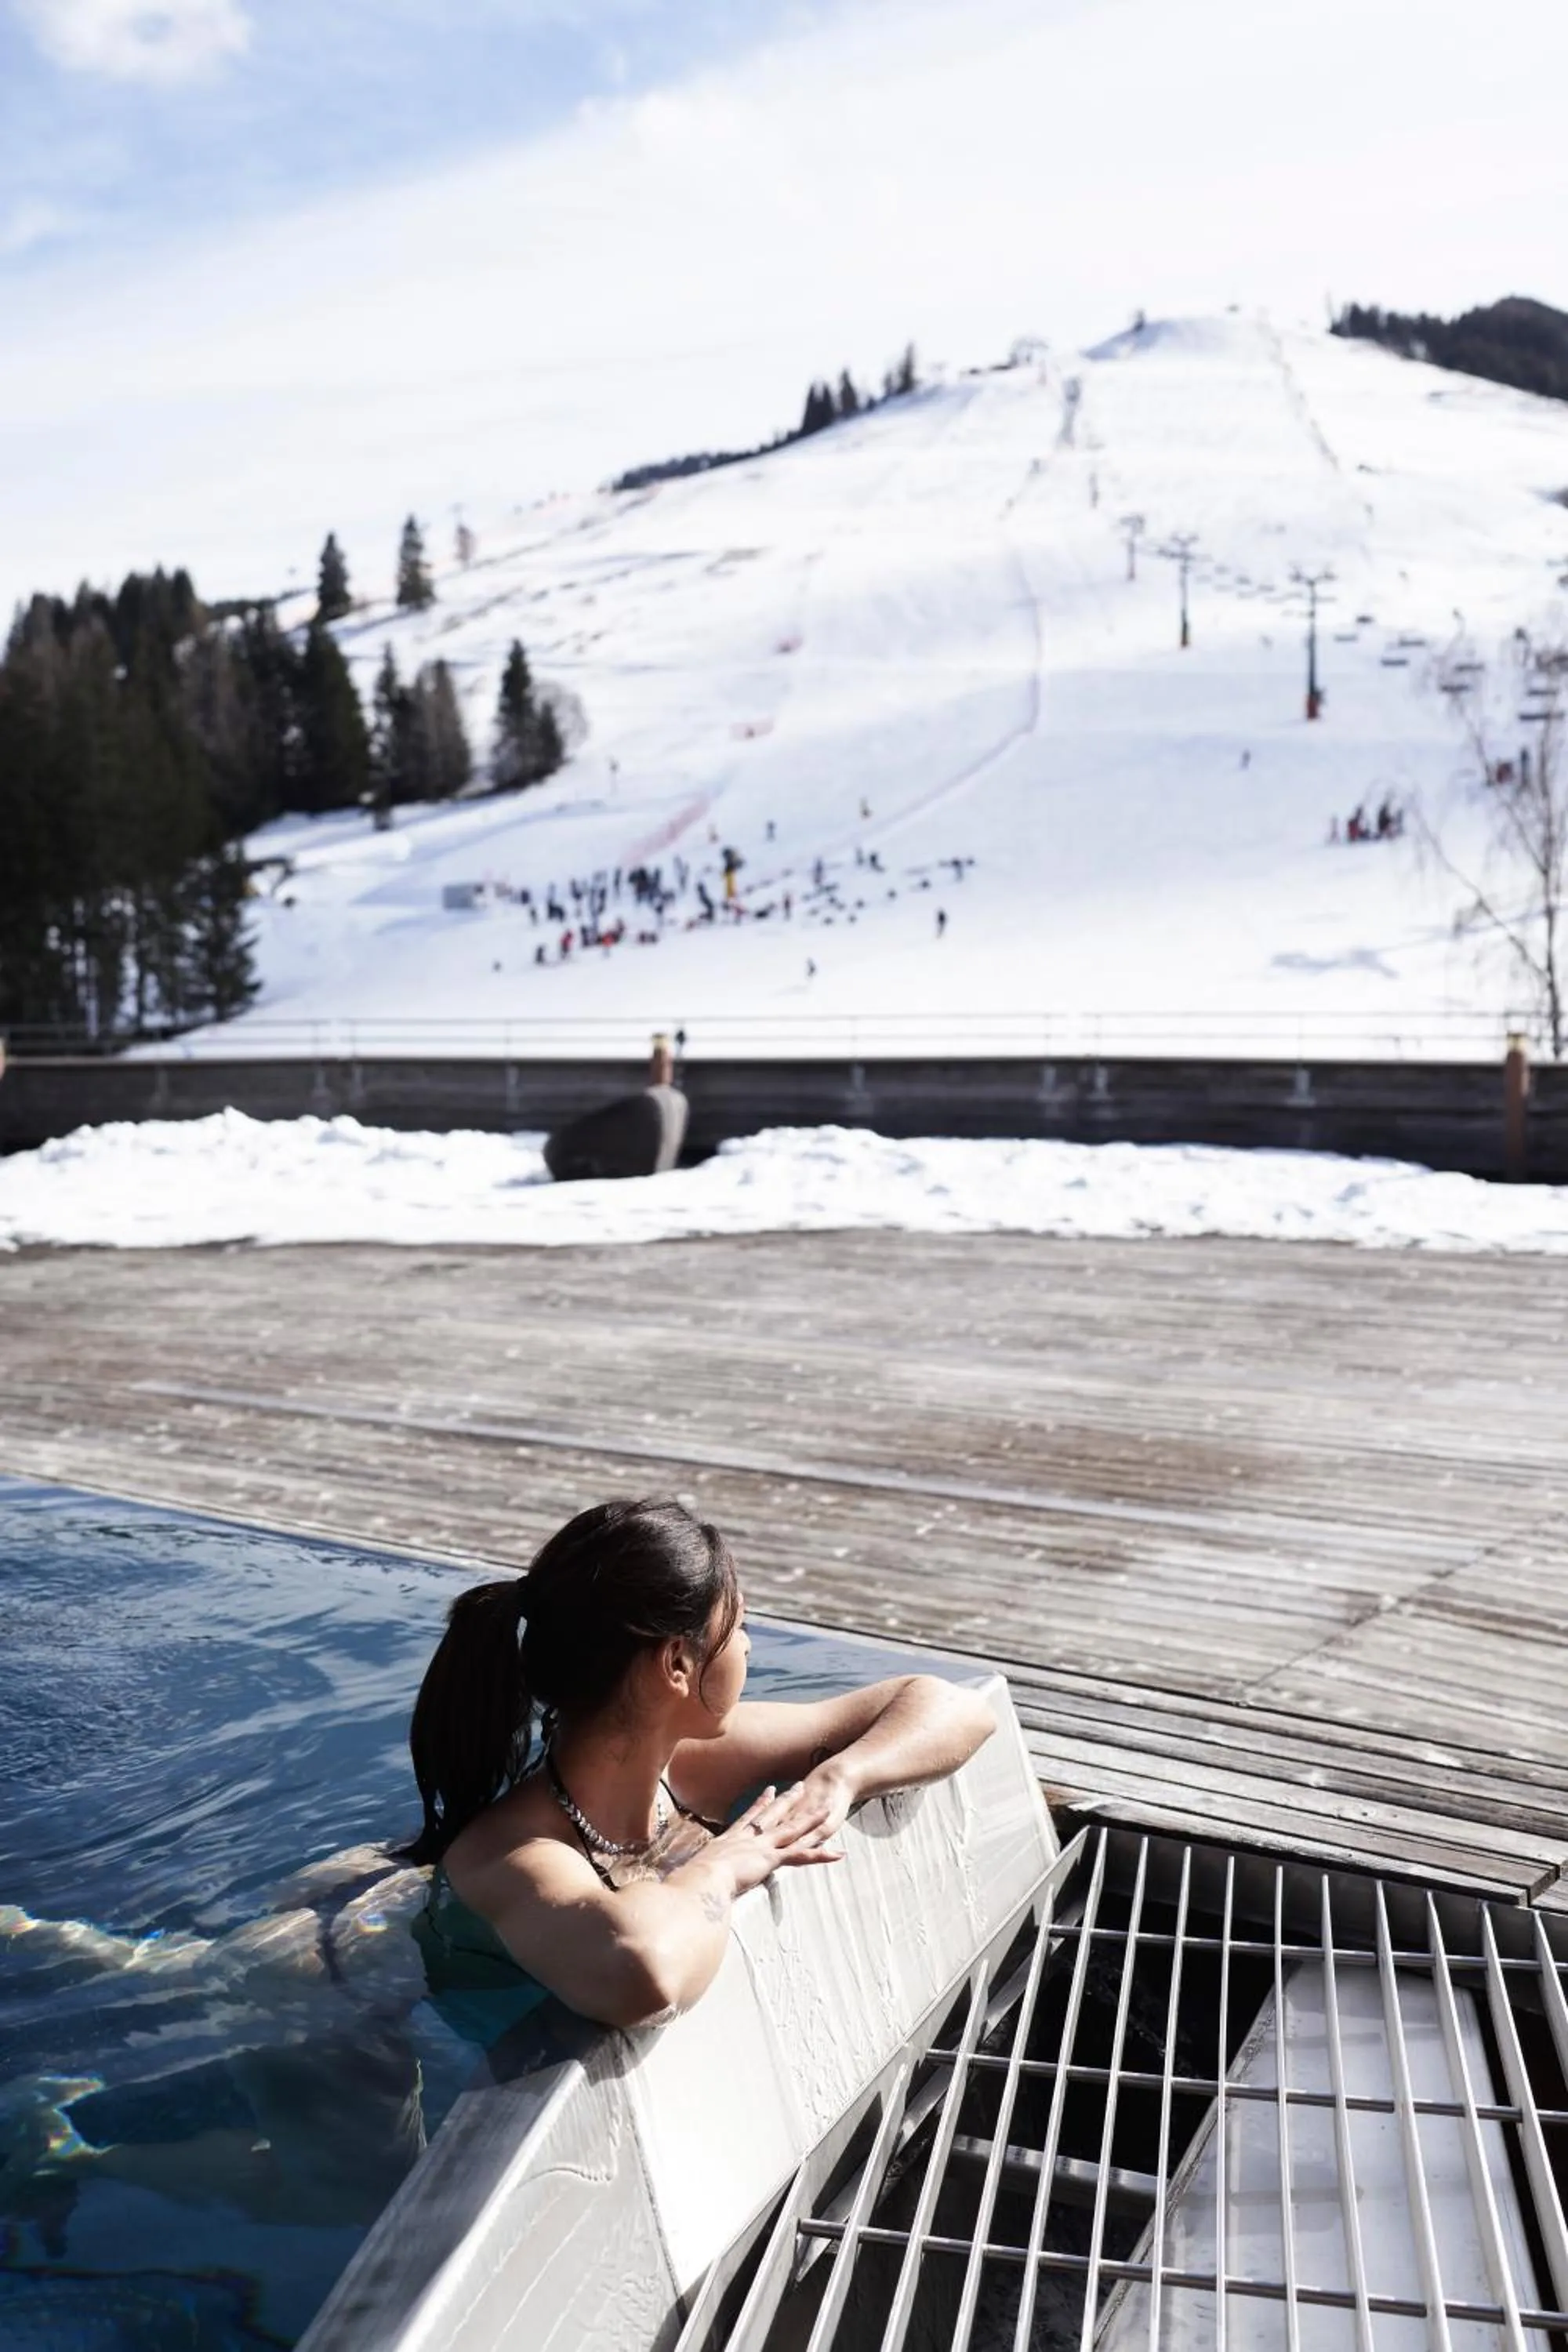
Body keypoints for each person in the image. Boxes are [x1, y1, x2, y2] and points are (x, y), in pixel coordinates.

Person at [408, 1500, 993, 2029]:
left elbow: (955, 1708)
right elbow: (643, 1977)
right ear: (677, 1664)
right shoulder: (512, 1855)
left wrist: (842, 1776)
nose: (747, 1646)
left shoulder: (699, 1761)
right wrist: (721, 1868)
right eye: (737, 1625)